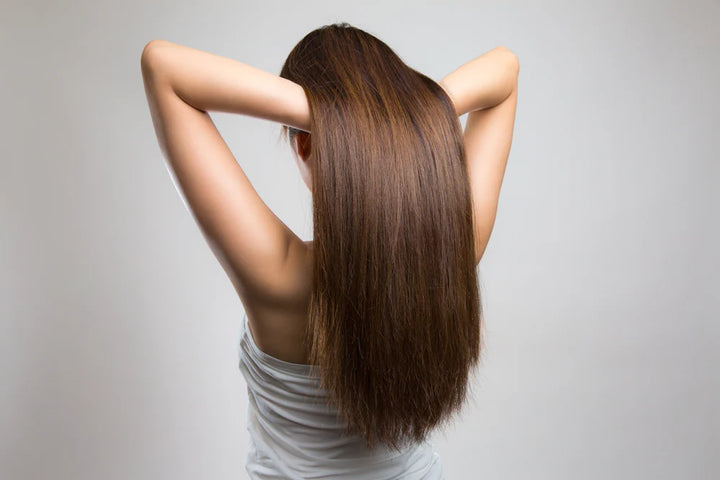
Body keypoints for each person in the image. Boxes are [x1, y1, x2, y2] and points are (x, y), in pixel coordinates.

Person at [141, 21, 518, 480]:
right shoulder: (453, 250)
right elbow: (505, 69)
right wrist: (399, 114)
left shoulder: (278, 275)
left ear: (303, 140)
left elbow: (163, 67)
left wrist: (334, 115)